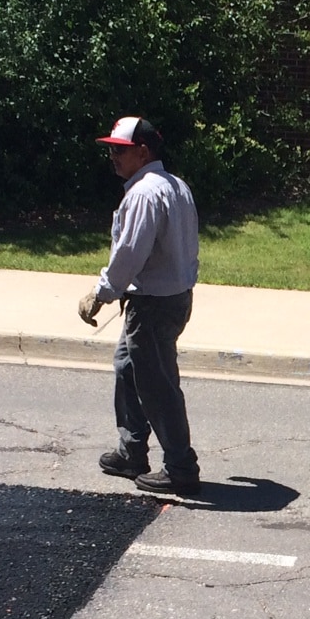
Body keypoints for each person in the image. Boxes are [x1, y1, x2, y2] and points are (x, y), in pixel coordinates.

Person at [77, 116, 202, 498]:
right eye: (112, 150)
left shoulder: (145, 194)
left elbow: (130, 253)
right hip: (172, 298)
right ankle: (132, 451)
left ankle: (180, 467)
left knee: (158, 386)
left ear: (142, 152)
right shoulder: (175, 186)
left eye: (119, 150)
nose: (113, 157)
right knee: (127, 369)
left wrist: (101, 293)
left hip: (152, 305)